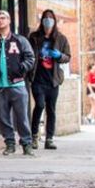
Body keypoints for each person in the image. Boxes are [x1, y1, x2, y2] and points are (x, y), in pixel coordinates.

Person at [0, 10, 36, 156]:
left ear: (9, 20)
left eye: (3, 18)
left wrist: (22, 68)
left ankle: (27, 144)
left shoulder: (20, 40)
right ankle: (10, 144)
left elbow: (30, 58)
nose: (0, 21)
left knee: (22, 117)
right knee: (3, 117)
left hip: (18, 85)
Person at [27, 9, 71, 150]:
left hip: (53, 81)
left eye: (50, 18)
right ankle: (34, 136)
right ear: (42, 21)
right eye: (45, 18)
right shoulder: (34, 37)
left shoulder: (61, 38)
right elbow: (27, 53)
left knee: (51, 109)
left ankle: (49, 139)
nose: (48, 20)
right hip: (37, 79)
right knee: (39, 105)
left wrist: (59, 56)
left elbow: (68, 56)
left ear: (54, 21)